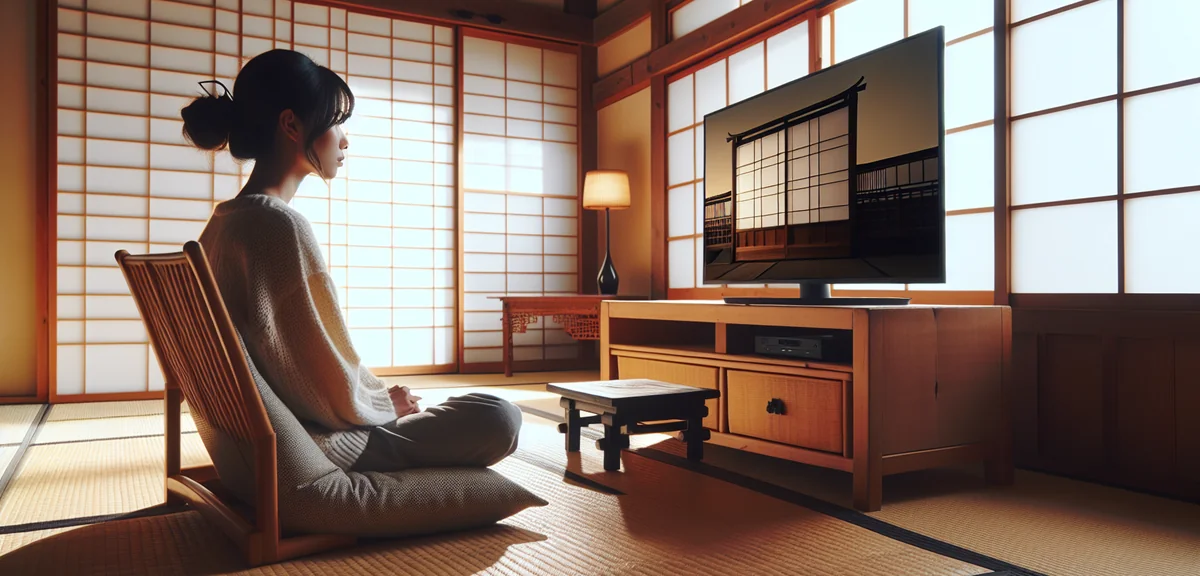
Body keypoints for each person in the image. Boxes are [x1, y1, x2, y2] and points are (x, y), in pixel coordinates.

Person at [183, 49, 521, 473]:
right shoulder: (277, 226)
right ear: (291, 125)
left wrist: (377, 400)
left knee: (472, 407)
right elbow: (310, 379)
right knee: (499, 416)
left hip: (252, 444)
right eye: (335, 122)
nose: (344, 139)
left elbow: (292, 358)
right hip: (318, 444)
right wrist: (381, 404)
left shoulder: (224, 223)